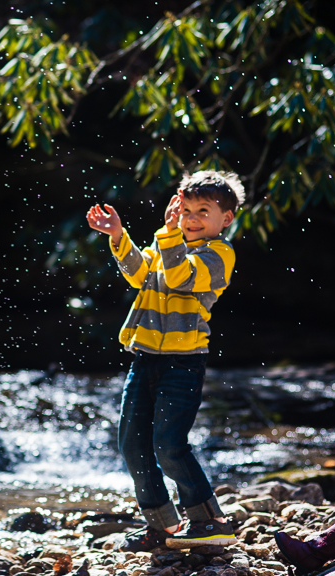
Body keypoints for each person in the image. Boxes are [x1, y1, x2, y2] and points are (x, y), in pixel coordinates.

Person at [85, 171, 245, 551]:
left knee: (169, 444)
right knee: (132, 445)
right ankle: (162, 524)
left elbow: (178, 278)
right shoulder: (168, 244)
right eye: (186, 209)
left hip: (183, 363)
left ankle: (211, 521)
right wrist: (118, 238)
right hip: (144, 359)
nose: (190, 218)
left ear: (226, 219)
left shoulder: (219, 253)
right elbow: (141, 274)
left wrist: (168, 233)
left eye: (202, 211)